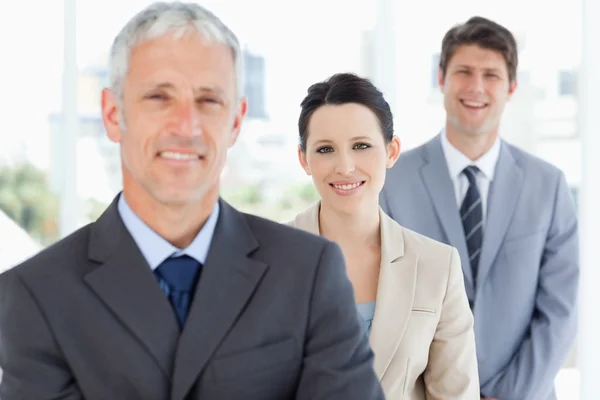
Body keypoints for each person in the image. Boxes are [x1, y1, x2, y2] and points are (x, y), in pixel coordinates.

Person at [0, 3, 385, 399]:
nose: (186, 126)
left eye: (208, 101)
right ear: (113, 115)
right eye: (159, 97)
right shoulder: (36, 294)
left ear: (235, 121)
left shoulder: (309, 273)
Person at [380, 16, 579, 400]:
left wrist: (508, 394)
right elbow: (383, 309)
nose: (476, 87)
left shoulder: (549, 186)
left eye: (491, 75)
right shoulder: (392, 181)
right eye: (464, 72)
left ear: (512, 87)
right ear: (441, 78)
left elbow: (560, 313)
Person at [288, 72, 480, 399]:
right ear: (304, 159)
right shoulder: (266, 261)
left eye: (361, 146)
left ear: (392, 152)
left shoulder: (437, 266)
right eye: (325, 149)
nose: (345, 166)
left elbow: (455, 393)